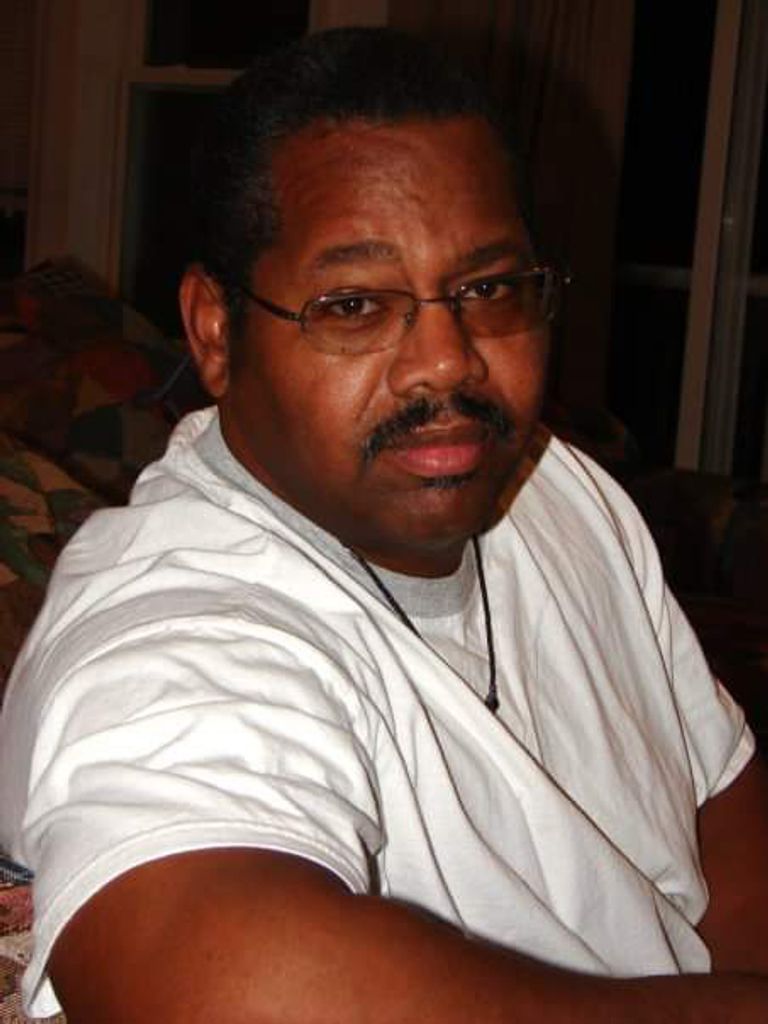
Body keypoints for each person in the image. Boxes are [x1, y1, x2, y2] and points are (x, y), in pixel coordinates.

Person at [1, 26, 767, 1022]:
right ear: (217, 332)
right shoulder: (176, 622)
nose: (448, 360)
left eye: (488, 288)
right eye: (355, 305)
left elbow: (718, 803)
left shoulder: (553, 486)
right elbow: (206, 980)